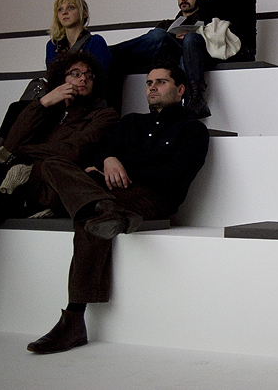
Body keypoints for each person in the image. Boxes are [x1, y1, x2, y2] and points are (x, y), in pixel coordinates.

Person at [26, 63, 210, 353]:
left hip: (150, 198)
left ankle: (73, 320)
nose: (152, 87)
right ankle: (103, 208)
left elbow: (174, 178)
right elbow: (101, 153)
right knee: (52, 165)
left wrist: (123, 169)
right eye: (148, 82)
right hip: (108, 191)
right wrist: (109, 159)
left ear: (181, 90)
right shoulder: (131, 122)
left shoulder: (193, 130)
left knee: (89, 215)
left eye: (161, 82)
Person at [0, 53, 119, 338]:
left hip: (34, 189)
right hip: (6, 179)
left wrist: (22, 153)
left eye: (89, 76)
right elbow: (10, 143)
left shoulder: (102, 115)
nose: (83, 79)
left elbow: (70, 151)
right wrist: (43, 104)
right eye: (76, 73)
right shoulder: (44, 108)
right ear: (61, 79)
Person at [184, 0, 257, 118]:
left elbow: (226, 22)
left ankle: (193, 102)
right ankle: (196, 99)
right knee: (189, 41)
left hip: (240, 48)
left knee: (190, 49)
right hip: (215, 47)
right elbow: (209, 24)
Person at [108, 0, 201, 112]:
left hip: (183, 56)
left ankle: (108, 51)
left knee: (159, 35)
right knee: (155, 37)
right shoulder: (166, 24)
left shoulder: (204, 21)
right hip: (162, 60)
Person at [46, 0, 112, 75]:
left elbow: (101, 77)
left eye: (71, 7)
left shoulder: (95, 42)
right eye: (60, 9)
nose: (64, 12)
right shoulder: (52, 46)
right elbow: (52, 79)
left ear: (84, 13)